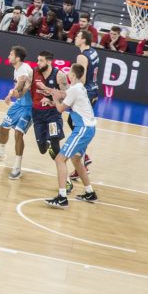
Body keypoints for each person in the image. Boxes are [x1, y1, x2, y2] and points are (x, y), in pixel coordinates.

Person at [44, 63, 98, 208]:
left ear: (72, 75)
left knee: (60, 159)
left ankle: (62, 198)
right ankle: (90, 192)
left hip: (83, 129)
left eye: (69, 72)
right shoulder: (80, 87)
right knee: (76, 160)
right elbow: (65, 95)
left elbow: (61, 108)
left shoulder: (74, 89)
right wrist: (52, 94)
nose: (67, 74)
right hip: (89, 128)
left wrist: (54, 99)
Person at [0, 46, 33, 180]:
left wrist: (11, 93)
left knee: (18, 133)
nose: (8, 57)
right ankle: (0, 151)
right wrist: (12, 94)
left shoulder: (23, 68)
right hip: (19, 104)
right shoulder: (17, 68)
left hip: (29, 107)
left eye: (11, 55)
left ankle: (17, 167)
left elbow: (22, 81)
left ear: (17, 58)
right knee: (3, 127)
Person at [30, 51, 71, 196]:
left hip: (53, 114)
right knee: (43, 149)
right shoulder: (34, 72)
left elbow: (66, 95)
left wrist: (50, 97)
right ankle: (45, 139)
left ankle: (66, 180)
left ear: (49, 62)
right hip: (38, 114)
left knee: (55, 145)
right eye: (37, 60)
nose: (38, 63)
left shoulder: (59, 75)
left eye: (40, 61)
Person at [68, 29, 99, 179]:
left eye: (78, 36)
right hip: (94, 91)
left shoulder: (82, 56)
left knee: (78, 127)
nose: (75, 37)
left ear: (84, 40)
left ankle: (82, 161)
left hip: (86, 93)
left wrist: (71, 89)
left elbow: (83, 79)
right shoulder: (93, 52)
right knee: (79, 125)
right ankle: (83, 158)